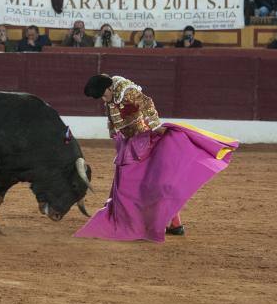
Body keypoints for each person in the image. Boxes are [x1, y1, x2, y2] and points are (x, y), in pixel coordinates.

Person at [76, 74, 239, 242]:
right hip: (130, 142)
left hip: (145, 140)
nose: (104, 99)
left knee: (144, 183)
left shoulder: (126, 90)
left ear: (110, 88)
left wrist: (156, 126)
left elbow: (147, 103)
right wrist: (113, 132)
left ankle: (143, 224)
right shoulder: (110, 94)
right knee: (146, 183)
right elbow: (111, 113)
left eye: (104, 95)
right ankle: (173, 224)